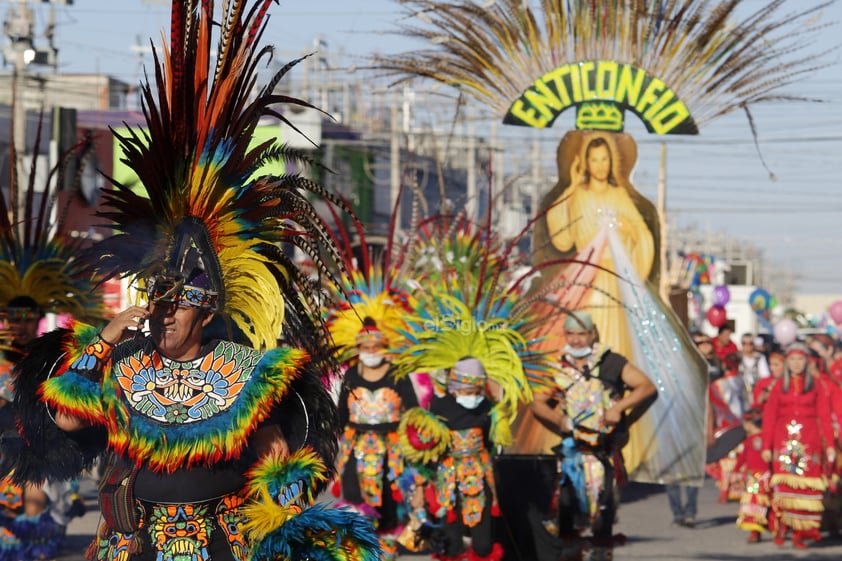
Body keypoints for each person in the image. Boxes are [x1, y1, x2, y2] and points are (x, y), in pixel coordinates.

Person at [5, 2, 381, 561]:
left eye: (177, 306)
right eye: (158, 304)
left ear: (204, 313)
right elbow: (63, 417)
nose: (163, 314)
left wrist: (287, 515)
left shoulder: (243, 370)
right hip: (136, 545)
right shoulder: (123, 362)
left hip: (221, 545)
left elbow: (277, 454)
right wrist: (103, 342)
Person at [530, 311, 656, 560]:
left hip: (602, 454)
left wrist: (619, 409)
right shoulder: (560, 367)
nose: (576, 340)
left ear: (593, 333)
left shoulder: (611, 362)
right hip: (571, 456)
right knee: (565, 517)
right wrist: (559, 420)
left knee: (603, 519)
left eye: (581, 334)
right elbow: (538, 403)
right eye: (571, 334)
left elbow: (646, 387)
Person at [334, 318, 420, 560]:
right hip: (355, 443)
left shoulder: (398, 375)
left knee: (389, 497)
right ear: (358, 349)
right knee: (353, 491)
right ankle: (358, 543)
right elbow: (342, 411)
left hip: (390, 446)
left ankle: (383, 542)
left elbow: (413, 410)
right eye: (365, 348)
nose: (371, 352)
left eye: (376, 347)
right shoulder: (351, 375)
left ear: (384, 347)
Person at [761, 342, 836, 549]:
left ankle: (801, 532)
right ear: (787, 363)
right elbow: (769, 416)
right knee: (782, 487)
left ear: (807, 361)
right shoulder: (778, 386)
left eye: (800, 359)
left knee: (806, 488)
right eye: (792, 359)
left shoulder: (817, 385)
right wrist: (766, 446)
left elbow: (824, 416)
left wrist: (829, 444)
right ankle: (782, 526)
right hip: (783, 441)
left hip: (809, 441)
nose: (796, 364)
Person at [735, 408, 771, 543]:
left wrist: (737, 469)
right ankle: (771, 530)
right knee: (768, 503)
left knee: (754, 504)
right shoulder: (765, 438)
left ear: (750, 424)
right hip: (766, 476)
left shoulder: (753, 440)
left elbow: (743, 457)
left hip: (755, 478)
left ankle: (756, 532)